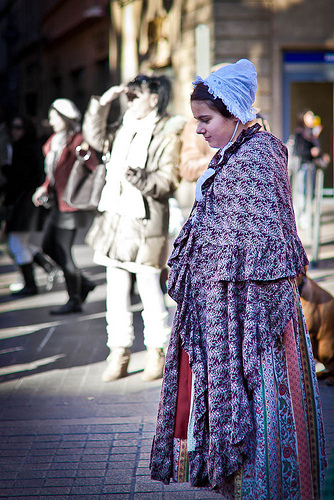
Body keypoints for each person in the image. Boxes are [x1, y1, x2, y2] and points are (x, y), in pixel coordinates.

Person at [150, 59, 327, 498]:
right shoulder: (233, 155)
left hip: (257, 315)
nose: (199, 130)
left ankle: (270, 488)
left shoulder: (258, 156)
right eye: (196, 121)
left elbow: (263, 238)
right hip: (225, 305)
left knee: (264, 403)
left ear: (234, 113)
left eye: (206, 120)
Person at [82, 75, 186, 382]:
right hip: (114, 217)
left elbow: (167, 181)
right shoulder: (122, 127)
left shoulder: (168, 132)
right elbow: (93, 137)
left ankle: (157, 351)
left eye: (135, 96)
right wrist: (103, 103)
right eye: (129, 97)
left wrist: (135, 176)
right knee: (114, 290)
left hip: (145, 220)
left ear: (154, 98)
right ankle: (119, 352)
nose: (130, 102)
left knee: (150, 289)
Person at [33, 99, 98, 314]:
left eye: (54, 117)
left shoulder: (78, 140)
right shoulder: (54, 141)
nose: (50, 121)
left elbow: (95, 167)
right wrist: (44, 187)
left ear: (65, 117)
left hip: (71, 204)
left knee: (63, 251)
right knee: (48, 247)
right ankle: (84, 284)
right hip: (57, 204)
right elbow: (52, 173)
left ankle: (75, 299)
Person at [1, 115, 58, 296]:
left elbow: (21, 179)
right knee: (20, 244)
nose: (15, 131)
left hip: (26, 204)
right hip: (24, 204)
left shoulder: (27, 149)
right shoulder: (19, 148)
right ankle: (48, 267)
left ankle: (31, 284)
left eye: (19, 128)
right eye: (14, 128)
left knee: (16, 244)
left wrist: (7, 172)